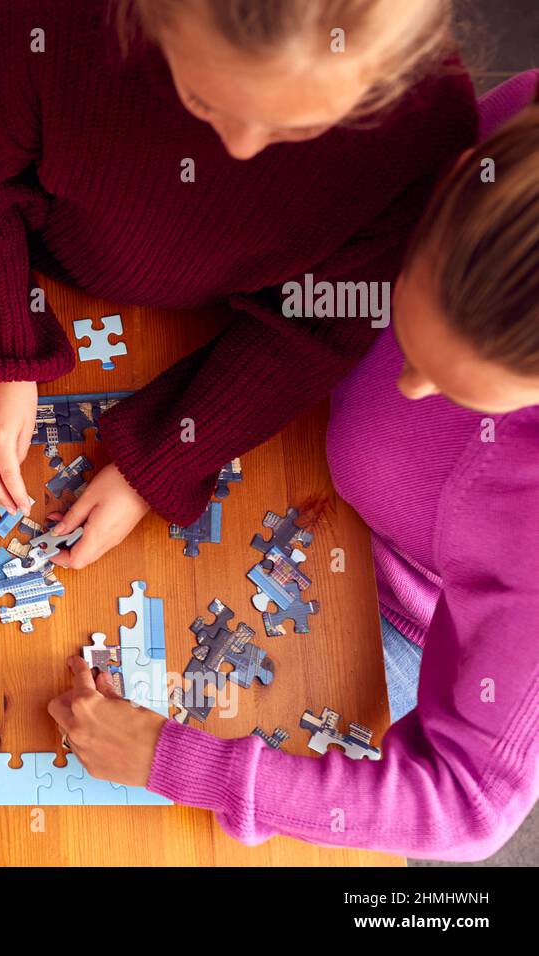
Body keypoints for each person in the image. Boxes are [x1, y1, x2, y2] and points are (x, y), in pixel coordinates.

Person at [50, 89, 539, 862]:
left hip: (396, 617)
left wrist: (176, 763)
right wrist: (165, 456)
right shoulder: (501, 146)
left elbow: (469, 809)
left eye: (453, 385)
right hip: (280, 421)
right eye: (408, 334)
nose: (408, 388)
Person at [0, 0, 478, 568]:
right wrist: (5, 353)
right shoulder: (57, 18)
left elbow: (316, 328)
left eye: (299, 128)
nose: (241, 147)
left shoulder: (427, 123)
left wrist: (160, 464)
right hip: (39, 254)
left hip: (223, 330)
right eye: (204, 101)